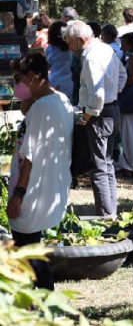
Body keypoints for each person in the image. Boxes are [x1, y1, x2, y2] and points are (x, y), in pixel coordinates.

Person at [7, 53, 74, 290]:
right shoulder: (59, 100)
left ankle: (45, 300)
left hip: (32, 189)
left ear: (34, 76)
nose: (17, 86)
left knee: (28, 253)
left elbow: (30, 156)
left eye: (19, 79)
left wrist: (19, 193)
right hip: (48, 184)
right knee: (30, 251)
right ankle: (39, 301)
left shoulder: (42, 108)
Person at [66, 20, 127, 217]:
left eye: (70, 42)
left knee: (99, 167)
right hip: (111, 109)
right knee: (107, 164)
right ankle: (110, 213)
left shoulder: (91, 57)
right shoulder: (106, 49)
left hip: (99, 115)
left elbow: (98, 95)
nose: (70, 47)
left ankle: (106, 215)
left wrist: (87, 114)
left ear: (81, 39)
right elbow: (122, 75)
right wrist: (113, 93)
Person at [116, 33, 133, 177]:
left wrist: (118, 83)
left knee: (129, 133)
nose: (121, 47)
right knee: (129, 132)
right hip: (131, 99)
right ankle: (130, 163)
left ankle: (131, 165)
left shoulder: (132, 57)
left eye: (124, 44)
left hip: (130, 99)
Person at [46, 21, 73, 99]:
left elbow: (48, 64)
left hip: (55, 83)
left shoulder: (50, 49)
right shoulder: (72, 48)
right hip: (71, 83)